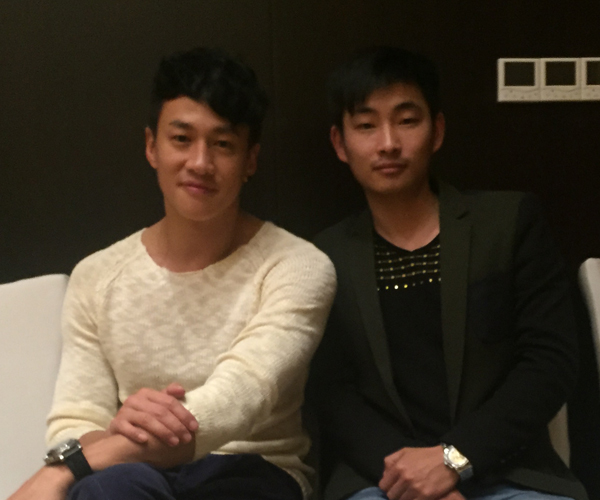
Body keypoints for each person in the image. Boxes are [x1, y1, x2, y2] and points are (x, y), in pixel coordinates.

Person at [9, 47, 336, 500]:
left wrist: (64, 470)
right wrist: (103, 444)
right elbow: (77, 416)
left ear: (250, 160)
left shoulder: (297, 266)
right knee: (107, 492)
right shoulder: (96, 276)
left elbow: (237, 399)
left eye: (223, 145)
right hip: (133, 472)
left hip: (253, 471)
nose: (200, 163)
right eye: (182, 139)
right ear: (152, 147)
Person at [309, 46, 587, 500]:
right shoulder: (325, 257)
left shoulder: (508, 223)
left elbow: (549, 363)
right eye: (366, 125)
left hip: (509, 472)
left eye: (406, 120)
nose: (388, 143)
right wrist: (413, 481)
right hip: (383, 481)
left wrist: (453, 460)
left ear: (436, 131)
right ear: (340, 143)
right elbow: (333, 394)